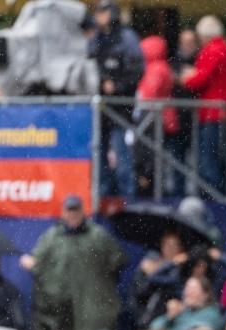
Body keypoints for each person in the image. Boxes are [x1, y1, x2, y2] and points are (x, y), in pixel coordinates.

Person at [22, 195, 127, 330]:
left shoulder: (98, 236)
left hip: (92, 310)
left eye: (76, 210)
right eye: (69, 210)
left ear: (83, 211)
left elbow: (119, 261)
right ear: (63, 212)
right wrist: (32, 264)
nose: (72, 214)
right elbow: (37, 264)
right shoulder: (52, 238)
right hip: (63, 313)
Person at [181, 16, 226, 195]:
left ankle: (215, 200)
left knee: (207, 161)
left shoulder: (211, 50)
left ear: (204, 36)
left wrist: (186, 77)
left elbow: (198, 81)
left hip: (211, 114)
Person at [89, 0, 144, 197]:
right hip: (99, 110)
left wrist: (117, 85)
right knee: (99, 157)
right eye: (97, 12)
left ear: (112, 13)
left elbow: (137, 70)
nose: (98, 15)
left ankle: (128, 199)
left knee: (122, 158)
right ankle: (103, 197)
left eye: (102, 11)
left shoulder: (126, 37)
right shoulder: (96, 38)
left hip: (120, 109)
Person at [135, 35, 178, 197]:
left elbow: (149, 95)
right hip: (160, 118)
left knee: (154, 157)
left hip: (156, 119)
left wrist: (141, 115)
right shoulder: (160, 66)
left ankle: (158, 191)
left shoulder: (156, 68)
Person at [148, 276, 224, 330]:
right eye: (187, 288)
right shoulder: (182, 311)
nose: (188, 292)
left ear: (205, 295)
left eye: (193, 289)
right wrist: (169, 318)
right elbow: (154, 328)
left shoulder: (211, 314)